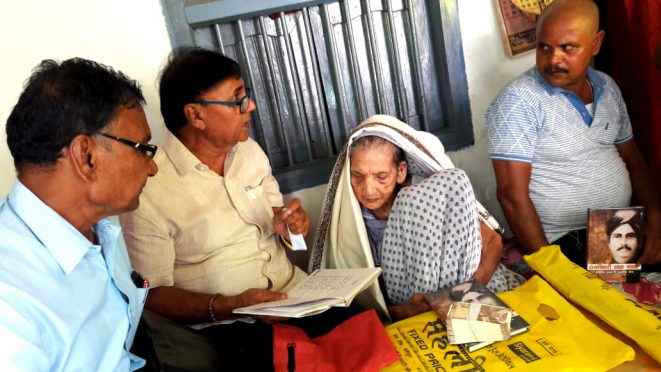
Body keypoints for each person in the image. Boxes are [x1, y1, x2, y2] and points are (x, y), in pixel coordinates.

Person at [119, 47, 354, 370]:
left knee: (362, 327)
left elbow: (285, 231)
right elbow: (153, 295)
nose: (251, 107)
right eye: (237, 99)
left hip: (295, 298)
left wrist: (292, 231)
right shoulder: (150, 187)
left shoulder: (249, 152)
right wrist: (229, 306)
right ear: (196, 115)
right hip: (230, 329)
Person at [0, 58, 157, 370]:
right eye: (142, 148)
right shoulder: (10, 306)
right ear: (86, 156)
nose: (152, 167)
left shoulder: (103, 225)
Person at [485, 0, 661, 266]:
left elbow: (633, 159)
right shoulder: (519, 100)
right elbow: (511, 196)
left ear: (596, 43)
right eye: (544, 47)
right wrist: (554, 270)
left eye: (567, 48)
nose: (553, 59)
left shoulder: (607, 87)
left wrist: (656, 220)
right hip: (563, 241)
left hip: (618, 229)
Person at [309, 115, 524, 322]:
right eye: (357, 176)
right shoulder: (350, 219)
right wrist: (403, 311)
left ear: (400, 171)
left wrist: (459, 295)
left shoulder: (428, 195)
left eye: (381, 177)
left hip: (467, 291)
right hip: (407, 309)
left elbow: (492, 242)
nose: (368, 189)